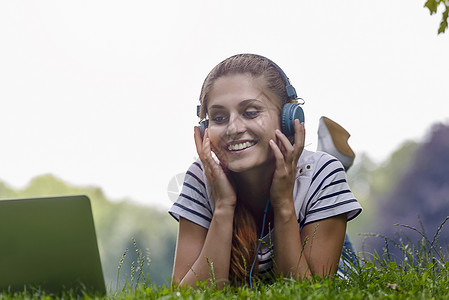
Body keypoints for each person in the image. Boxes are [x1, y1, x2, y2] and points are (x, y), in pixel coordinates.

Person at [169, 54, 362, 288]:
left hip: (322, 241)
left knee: (320, 183)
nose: (233, 128)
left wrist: (283, 203)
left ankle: (333, 159)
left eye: (250, 112)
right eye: (219, 117)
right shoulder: (201, 178)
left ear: (288, 119)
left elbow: (309, 292)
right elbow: (184, 294)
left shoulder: (322, 174)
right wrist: (223, 206)